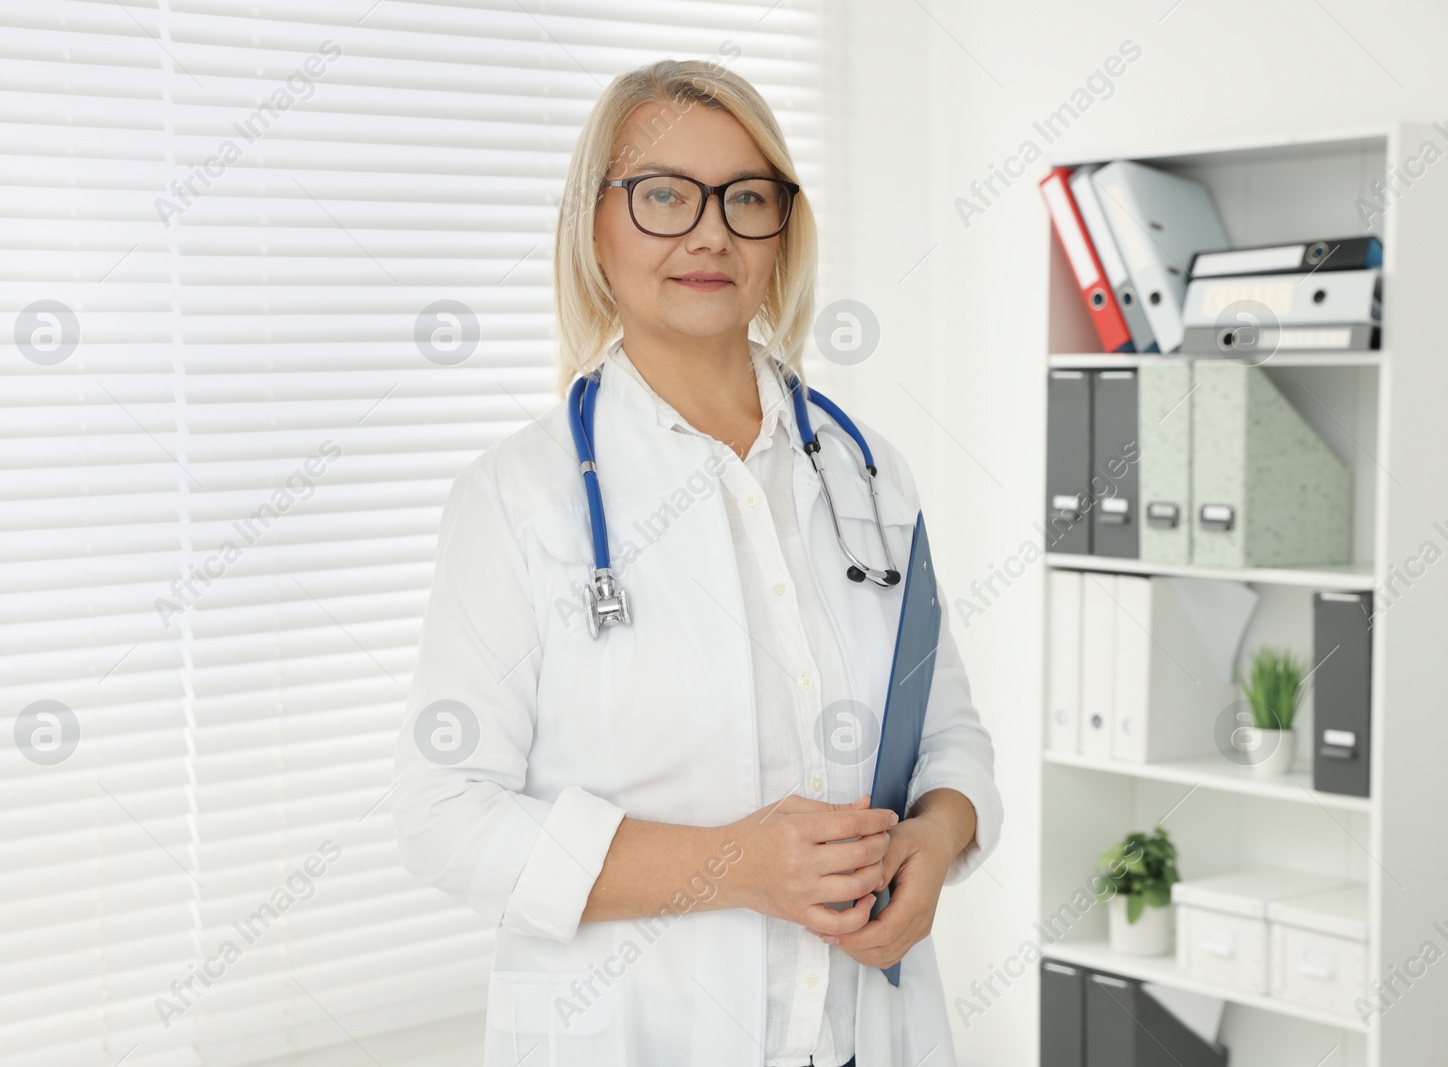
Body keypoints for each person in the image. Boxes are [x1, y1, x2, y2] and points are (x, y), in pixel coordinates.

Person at [392, 57, 1002, 1067]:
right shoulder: (518, 497)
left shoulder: (866, 473)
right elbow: (442, 812)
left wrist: (935, 841)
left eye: (746, 197)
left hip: (868, 1032)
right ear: (593, 223)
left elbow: (952, 735)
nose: (709, 231)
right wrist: (731, 864)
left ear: (782, 231)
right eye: (663, 194)